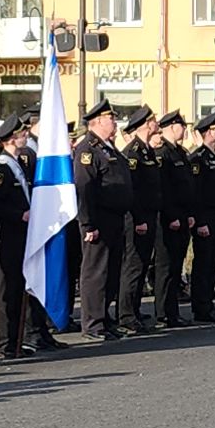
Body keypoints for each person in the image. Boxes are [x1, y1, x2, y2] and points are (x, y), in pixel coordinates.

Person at [73, 99, 133, 340]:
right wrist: (88, 223)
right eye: (111, 118)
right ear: (97, 121)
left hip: (115, 217)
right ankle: (93, 322)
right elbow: (84, 187)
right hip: (99, 219)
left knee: (111, 270)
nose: (115, 122)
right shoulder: (87, 149)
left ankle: (105, 317)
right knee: (95, 271)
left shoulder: (108, 147)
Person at [0, 116, 33, 358]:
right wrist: (19, 215)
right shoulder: (0, 169)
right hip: (7, 234)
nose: (25, 136)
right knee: (4, 288)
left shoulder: (18, 164)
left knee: (16, 287)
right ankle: (2, 343)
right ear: (10, 139)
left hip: (20, 235)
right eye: (21, 134)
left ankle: (15, 340)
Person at [151, 110, 196, 326]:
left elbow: (186, 188)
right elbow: (163, 190)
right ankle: (163, 313)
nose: (184, 130)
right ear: (170, 127)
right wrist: (172, 216)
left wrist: (188, 214)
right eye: (181, 126)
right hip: (169, 218)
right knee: (166, 267)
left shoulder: (180, 152)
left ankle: (173, 311)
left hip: (182, 216)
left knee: (176, 266)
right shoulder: (163, 154)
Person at [119, 105, 160, 333]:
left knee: (142, 265)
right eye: (153, 120)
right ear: (145, 124)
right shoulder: (133, 152)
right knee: (132, 267)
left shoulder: (146, 151)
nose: (156, 124)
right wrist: (139, 219)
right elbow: (133, 190)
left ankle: (134, 310)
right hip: (138, 219)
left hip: (149, 215)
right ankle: (126, 315)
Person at [186, 112, 215, 324]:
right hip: (205, 216)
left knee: (213, 262)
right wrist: (200, 221)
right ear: (207, 133)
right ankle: (200, 306)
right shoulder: (198, 158)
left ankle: (209, 304)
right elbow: (196, 193)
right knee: (202, 262)